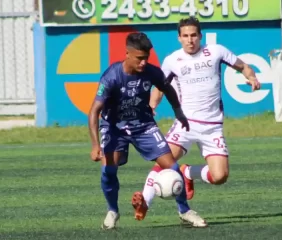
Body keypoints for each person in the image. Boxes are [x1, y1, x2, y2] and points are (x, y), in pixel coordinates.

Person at [132, 17, 261, 218]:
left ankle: (187, 173)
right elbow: (160, 88)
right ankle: (145, 203)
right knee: (165, 160)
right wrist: (151, 106)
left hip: (212, 127)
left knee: (220, 177)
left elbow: (243, 66)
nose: (190, 40)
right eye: (185, 36)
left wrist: (251, 77)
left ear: (200, 36)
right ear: (179, 38)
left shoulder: (216, 51)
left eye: (193, 35)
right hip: (185, 124)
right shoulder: (172, 60)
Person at [88, 32, 207, 229]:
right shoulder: (111, 76)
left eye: (146, 58)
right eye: (139, 58)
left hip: (143, 125)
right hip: (114, 127)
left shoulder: (152, 72)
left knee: (173, 167)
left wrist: (179, 113)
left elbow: (168, 89)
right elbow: (94, 112)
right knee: (108, 170)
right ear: (127, 53)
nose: (143, 63)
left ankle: (185, 211)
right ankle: (112, 211)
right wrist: (95, 145)